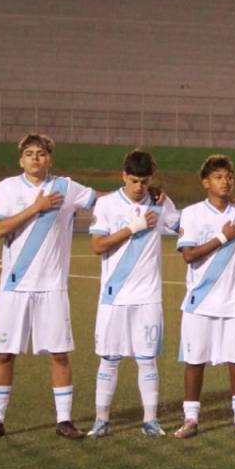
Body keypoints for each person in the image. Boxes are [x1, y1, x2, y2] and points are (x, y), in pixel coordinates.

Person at [0, 133, 98, 440]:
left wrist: (143, 195)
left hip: (51, 287)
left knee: (59, 353)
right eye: (29, 153)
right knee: (4, 353)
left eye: (41, 154)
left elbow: (103, 200)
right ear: (21, 160)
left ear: (49, 159)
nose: (35, 158)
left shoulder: (66, 187)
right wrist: (36, 207)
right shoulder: (8, 187)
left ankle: (65, 420)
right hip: (14, 287)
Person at [87, 149, 180, 439]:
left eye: (144, 181)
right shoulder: (107, 205)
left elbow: (184, 228)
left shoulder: (161, 203)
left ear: (151, 179)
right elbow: (98, 245)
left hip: (148, 297)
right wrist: (132, 228)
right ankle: (101, 420)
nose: (139, 187)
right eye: (134, 181)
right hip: (114, 297)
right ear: (123, 176)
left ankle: (150, 420)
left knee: (146, 359)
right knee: (110, 359)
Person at [174, 155, 235, 439]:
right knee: (194, 360)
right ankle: (191, 419)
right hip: (200, 301)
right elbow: (189, 255)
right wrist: (223, 238)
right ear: (205, 183)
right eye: (218, 177)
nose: (225, 181)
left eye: (228, 176)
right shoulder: (191, 213)